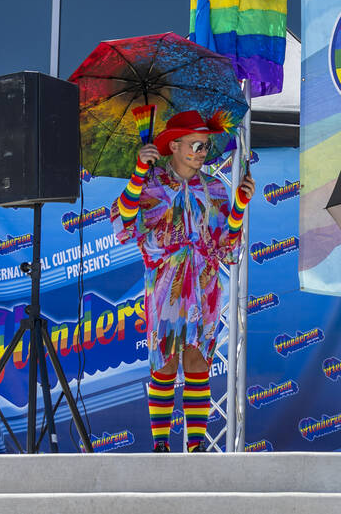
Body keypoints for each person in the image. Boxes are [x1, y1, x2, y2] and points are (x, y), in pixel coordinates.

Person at [110, 110, 254, 453]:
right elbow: (122, 223)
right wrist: (139, 173)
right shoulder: (152, 183)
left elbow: (226, 245)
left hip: (204, 283)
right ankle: (160, 446)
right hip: (166, 283)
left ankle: (195, 447)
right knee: (165, 359)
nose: (203, 151)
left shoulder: (216, 187)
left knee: (198, 361)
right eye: (196, 144)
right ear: (174, 145)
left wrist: (239, 206)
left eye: (206, 145)